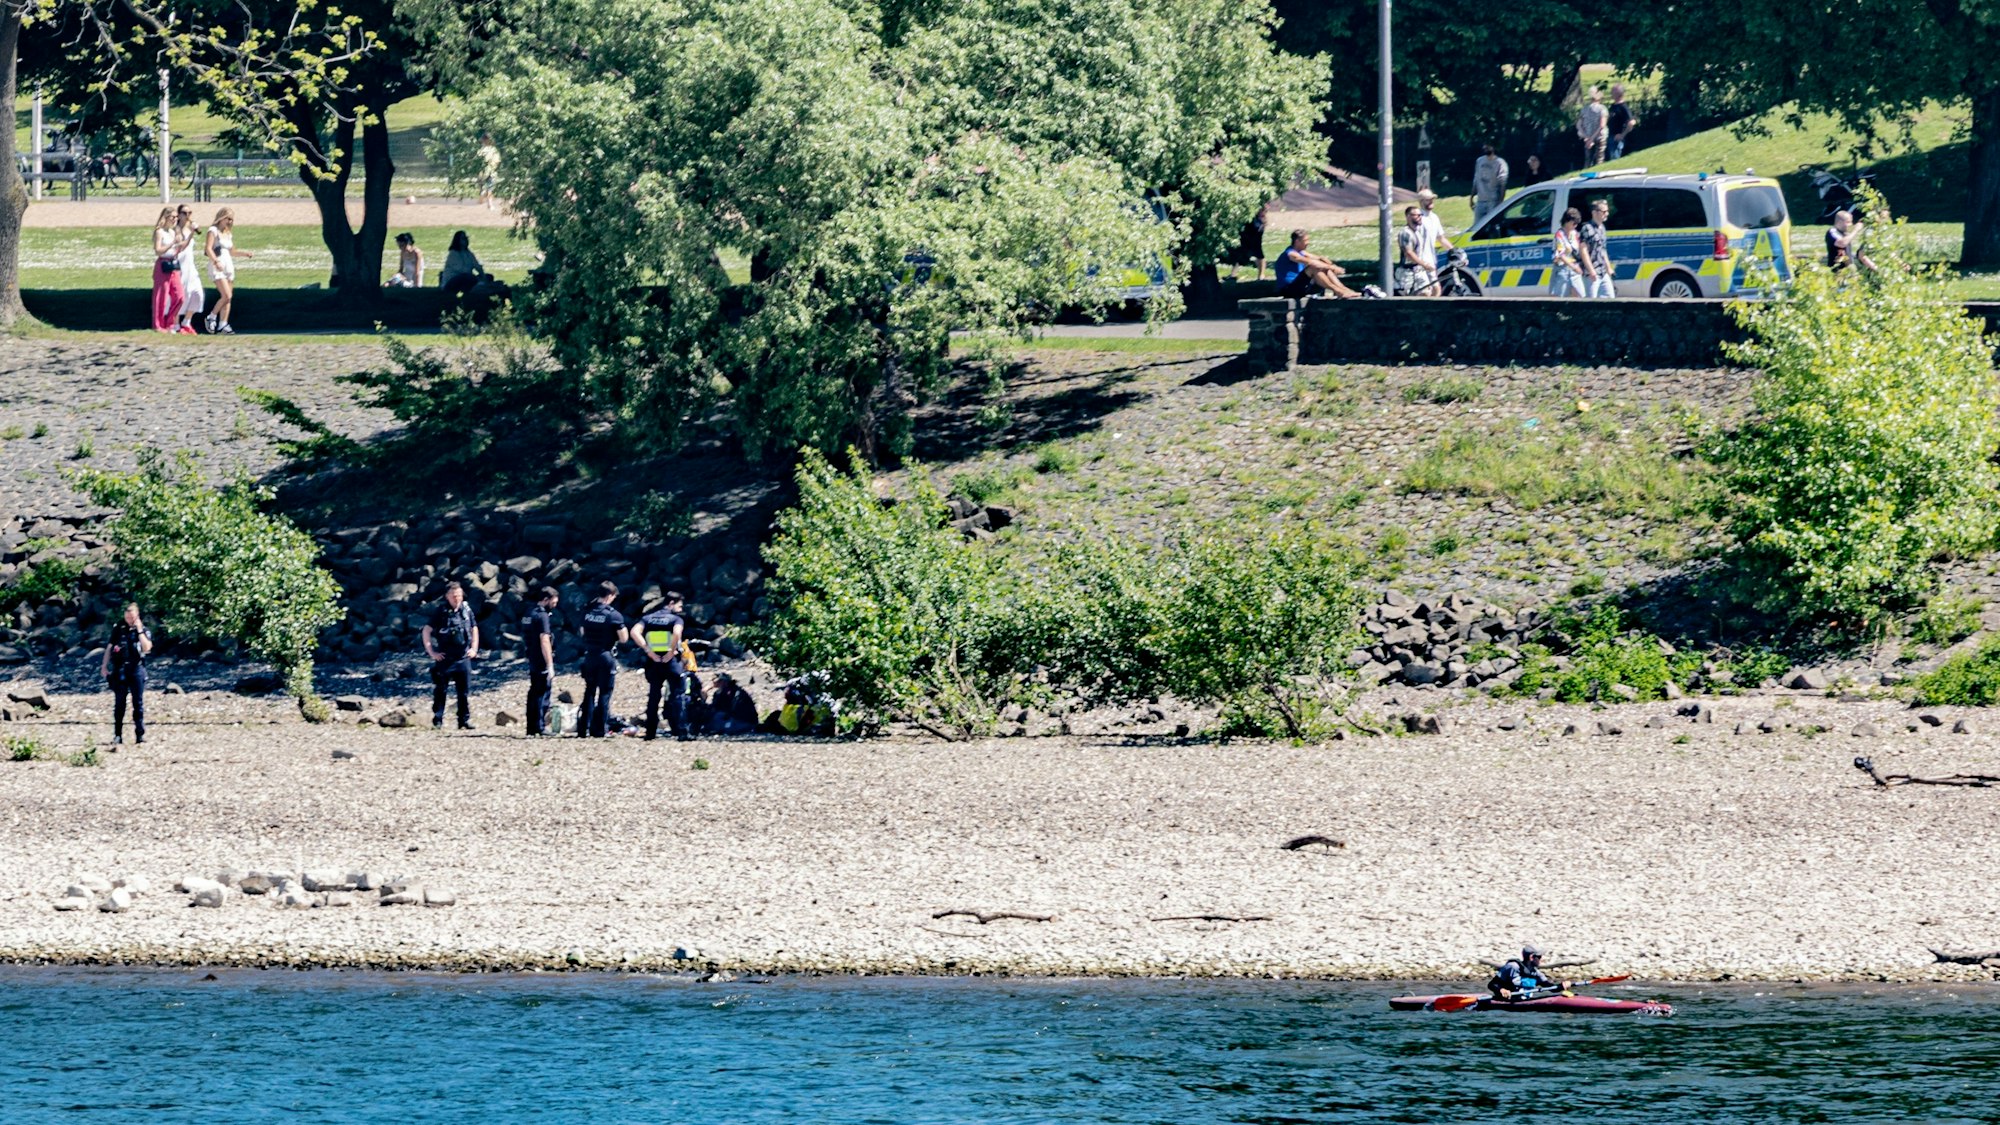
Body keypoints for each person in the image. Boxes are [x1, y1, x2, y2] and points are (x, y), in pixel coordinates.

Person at [635, 591, 694, 742]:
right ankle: (682, 732)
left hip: (653, 661)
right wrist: (671, 651)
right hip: (670, 661)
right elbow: (676, 634)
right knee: (678, 695)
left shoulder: (648, 618)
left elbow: (634, 632)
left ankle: (650, 732)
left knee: (654, 696)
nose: (681, 609)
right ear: (671, 603)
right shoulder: (676, 619)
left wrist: (648, 651)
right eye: (679, 605)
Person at [423, 581, 479, 730]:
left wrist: (474, 648)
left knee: (464, 692)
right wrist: (432, 653)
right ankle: (438, 720)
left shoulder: (466, 610)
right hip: (445, 659)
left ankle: (463, 720)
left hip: (463, 657)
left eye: (459, 596)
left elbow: (474, 628)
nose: (457, 599)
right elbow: (426, 631)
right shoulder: (440, 612)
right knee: (441, 690)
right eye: (454, 596)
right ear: (447, 596)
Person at [577, 581, 629, 738]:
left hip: (589, 655)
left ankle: (582, 728)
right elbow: (624, 638)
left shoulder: (587, 611)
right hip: (605, 655)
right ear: (610, 596)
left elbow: (582, 632)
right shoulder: (613, 615)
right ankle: (599, 729)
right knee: (605, 693)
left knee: (589, 691)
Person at [102, 603, 152, 745]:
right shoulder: (118, 629)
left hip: (137, 669)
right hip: (120, 669)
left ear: (137, 616)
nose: (129, 620)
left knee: (138, 703)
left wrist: (140, 630)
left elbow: (147, 648)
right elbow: (109, 647)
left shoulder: (144, 630)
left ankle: (140, 735)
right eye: (127, 617)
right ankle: (118, 735)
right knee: (119, 704)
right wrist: (104, 665)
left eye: (132, 617)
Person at [204, 208, 252, 334]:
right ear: (221, 217)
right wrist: (216, 261)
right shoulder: (213, 231)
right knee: (226, 295)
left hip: (228, 266)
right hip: (218, 265)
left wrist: (245, 253)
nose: (229, 222)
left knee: (228, 298)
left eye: (231, 219)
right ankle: (211, 317)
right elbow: (208, 249)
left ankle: (223, 324)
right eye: (227, 218)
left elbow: (232, 251)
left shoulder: (228, 233)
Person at [1273, 230, 1361, 299]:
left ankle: (1344, 290)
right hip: (1288, 290)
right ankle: (1338, 291)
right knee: (1313, 268)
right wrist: (1331, 267)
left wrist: (1328, 264)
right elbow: (1311, 262)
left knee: (1323, 267)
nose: (1308, 242)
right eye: (1306, 240)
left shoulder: (1302, 252)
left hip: (1300, 287)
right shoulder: (1291, 254)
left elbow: (1318, 259)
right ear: (1297, 241)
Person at [521, 586, 558, 736]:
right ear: (545, 600)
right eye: (553, 603)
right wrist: (550, 664)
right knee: (542, 692)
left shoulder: (529, 612)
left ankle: (531, 727)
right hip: (540, 658)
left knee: (533, 692)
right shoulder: (542, 616)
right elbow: (545, 640)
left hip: (531, 655)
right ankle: (539, 727)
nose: (555, 606)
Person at [150, 207, 189, 333]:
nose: (175, 219)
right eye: (172, 217)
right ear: (165, 217)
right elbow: (158, 250)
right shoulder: (159, 232)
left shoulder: (172, 232)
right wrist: (172, 243)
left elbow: (177, 249)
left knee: (179, 296)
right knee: (161, 297)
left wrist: (180, 244)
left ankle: (170, 322)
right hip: (163, 265)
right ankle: (158, 325)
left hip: (173, 265)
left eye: (176, 217)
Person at [1488, 945, 1570, 1000]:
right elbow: (1492, 984)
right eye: (1539, 957)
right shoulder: (1513, 966)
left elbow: (1550, 987)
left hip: (1525, 1001)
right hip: (1506, 1001)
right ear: (1531, 957)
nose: (1541, 959)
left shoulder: (1536, 973)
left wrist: (1562, 986)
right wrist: (1501, 990)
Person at [173, 206, 204, 334]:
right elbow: (180, 246)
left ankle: (187, 321)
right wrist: (191, 233)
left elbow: (200, 231)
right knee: (180, 295)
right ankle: (175, 325)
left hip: (190, 265)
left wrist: (195, 229)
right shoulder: (176, 229)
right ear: (179, 215)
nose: (187, 215)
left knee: (198, 293)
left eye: (189, 212)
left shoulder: (190, 226)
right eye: (184, 213)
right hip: (180, 265)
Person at [1396, 206, 1439, 297]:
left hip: (1419, 270)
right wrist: (1425, 264)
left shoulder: (1417, 232)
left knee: (1428, 293)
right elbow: (1409, 253)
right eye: (1416, 215)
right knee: (1409, 297)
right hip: (1407, 272)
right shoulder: (1405, 233)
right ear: (1408, 216)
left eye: (1421, 215)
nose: (1420, 217)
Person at [1578, 198, 1615, 298]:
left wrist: (1608, 268)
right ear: (1594, 212)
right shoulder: (1586, 228)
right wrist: (1591, 270)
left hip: (1603, 272)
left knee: (1610, 298)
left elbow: (1603, 250)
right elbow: (1583, 251)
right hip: (1592, 273)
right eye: (1604, 211)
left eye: (1607, 211)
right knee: (1591, 302)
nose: (1606, 214)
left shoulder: (1602, 227)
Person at [440, 230, 493, 299]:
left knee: (489, 276)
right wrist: (476, 278)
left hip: (468, 278)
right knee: (466, 277)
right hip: (452, 281)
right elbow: (462, 271)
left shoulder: (468, 253)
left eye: (466, 238)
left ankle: (478, 285)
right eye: (463, 238)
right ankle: (476, 285)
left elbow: (477, 266)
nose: (466, 240)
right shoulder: (453, 254)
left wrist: (483, 275)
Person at [1549, 208, 1586, 298]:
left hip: (1575, 270)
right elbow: (1560, 254)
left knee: (1581, 296)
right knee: (1560, 297)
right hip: (1562, 270)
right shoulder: (1559, 234)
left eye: (1577, 223)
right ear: (1567, 221)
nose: (1575, 225)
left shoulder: (1575, 234)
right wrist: (1574, 267)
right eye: (1574, 223)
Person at [1227, 203, 1268, 282]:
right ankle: (1233, 274)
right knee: (1239, 250)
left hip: (1255, 227)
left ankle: (1261, 275)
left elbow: (1263, 213)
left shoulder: (1258, 205)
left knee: (1258, 251)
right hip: (1247, 226)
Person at [1472, 144, 1509, 224]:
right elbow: (1476, 180)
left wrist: (1500, 202)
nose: (1485, 147)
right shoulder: (1479, 161)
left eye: (1488, 146)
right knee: (1477, 228)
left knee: (1491, 226)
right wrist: (1471, 198)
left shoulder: (1500, 163)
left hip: (1493, 201)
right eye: (1485, 145)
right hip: (1480, 201)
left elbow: (1503, 183)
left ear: (1493, 147)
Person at [1576, 86, 1608, 168]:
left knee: (1588, 160)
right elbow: (1602, 125)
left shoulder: (1584, 109)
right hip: (1600, 137)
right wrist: (1592, 139)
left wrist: (1587, 137)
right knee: (1599, 159)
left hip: (1587, 138)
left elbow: (1578, 125)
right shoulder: (1602, 109)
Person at [1606, 84, 1638, 161]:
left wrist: (1622, 135)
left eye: (1613, 91)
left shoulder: (1623, 107)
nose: (1611, 93)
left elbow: (1631, 122)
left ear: (1618, 94)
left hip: (1617, 138)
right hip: (1611, 136)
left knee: (1615, 159)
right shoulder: (1613, 106)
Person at [477, 134, 501, 211]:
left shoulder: (481, 150)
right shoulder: (494, 150)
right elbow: (497, 161)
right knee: (490, 188)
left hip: (483, 172)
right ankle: (490, 204)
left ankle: (484, 196)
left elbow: (478, 162)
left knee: (486, 188)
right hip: (491, 172)